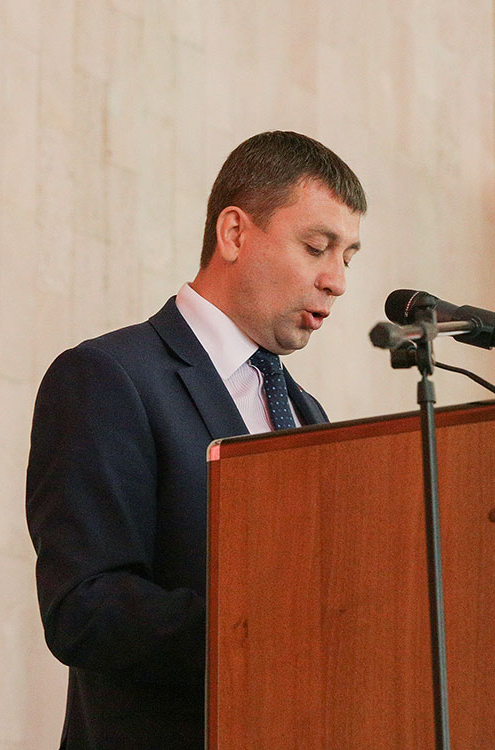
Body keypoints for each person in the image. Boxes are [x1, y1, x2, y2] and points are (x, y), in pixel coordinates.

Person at [26, 131, 367, 748]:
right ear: (234, 233)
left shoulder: (306, 412)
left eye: (349, 257)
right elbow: (85, 607)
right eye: (317, 248)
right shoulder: (109, 376)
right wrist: (269, 637)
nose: (336, 280)